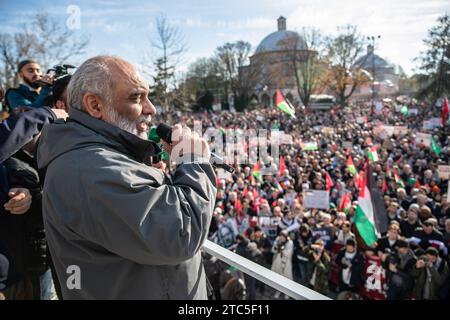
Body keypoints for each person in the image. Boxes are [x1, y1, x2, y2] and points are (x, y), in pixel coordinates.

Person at [36, 56, 217, 299]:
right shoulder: (90, 169)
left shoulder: (90, 157)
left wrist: (143, 163)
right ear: (95, 105)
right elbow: (179, 234)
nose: (151, 109)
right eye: (136, 97)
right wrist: (193, 161)